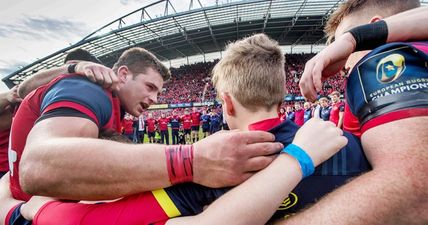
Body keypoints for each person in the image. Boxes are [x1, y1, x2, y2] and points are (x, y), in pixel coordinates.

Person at [1, 33, 350, 225]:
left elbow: (89, 220)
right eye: (151, 88)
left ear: (225, 103)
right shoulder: (346, 145)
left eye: (157, 91)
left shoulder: (214, 167)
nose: (154, 99)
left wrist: (25, 211)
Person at [293, 1, 428, 224]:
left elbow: (417, 189)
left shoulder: (383, 59)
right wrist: (352, 38)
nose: (342, 62)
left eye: (339, 46)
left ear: (374, 27)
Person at [0, 49, 111, 179]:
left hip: (19, 173)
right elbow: (20, 91)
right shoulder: (29, 94)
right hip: (13, 172)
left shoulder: (59, 97)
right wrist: (7, 97)